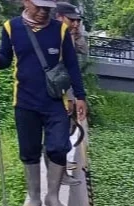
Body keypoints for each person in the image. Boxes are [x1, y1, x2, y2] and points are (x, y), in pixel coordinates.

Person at [0, 0, 87, 206]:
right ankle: (34, 197)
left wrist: (80, 96)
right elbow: (5, 58)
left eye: (47, 9)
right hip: (24, 101)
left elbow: (71, 65)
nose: (43, 12)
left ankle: (53, 196)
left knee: (58, 147)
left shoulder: (60, 29)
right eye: (38, 7)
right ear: (26, 2)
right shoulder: (11, 27)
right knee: (29, 150)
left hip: (54, 101)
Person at [54, 2, 86, 182]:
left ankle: (63, 169)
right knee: (58, 131)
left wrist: (76, 33)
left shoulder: (70, 36)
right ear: (59, 17)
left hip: (70, 88)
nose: (75, 24)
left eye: (77, 21)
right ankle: (61, 172)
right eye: (71, 20)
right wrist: (69, 97)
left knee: (67, 128)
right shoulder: (53, 37)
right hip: (59, 90)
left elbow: (82, 53)